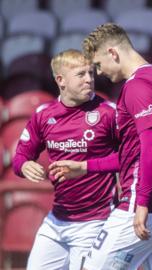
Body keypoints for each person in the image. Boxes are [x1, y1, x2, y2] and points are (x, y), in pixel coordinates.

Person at [80, 23, 152, 269]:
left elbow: (151, 146)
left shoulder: (137, 86)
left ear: (113, 53)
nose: (98, 73)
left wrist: (142, 202)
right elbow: (137, 151)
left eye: (98, 64)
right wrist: (85, 167)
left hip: (145, 206)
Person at [12, 49, 117, 270]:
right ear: (61, 80)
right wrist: (25, 165)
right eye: (81, 74)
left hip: (96, 221)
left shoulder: (108, 113)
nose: (89, 79)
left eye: (91, 73)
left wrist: (85, 167)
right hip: (57, 221)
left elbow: (131, 157)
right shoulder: (43, 114)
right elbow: (20, 157)